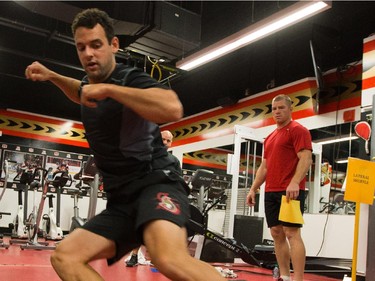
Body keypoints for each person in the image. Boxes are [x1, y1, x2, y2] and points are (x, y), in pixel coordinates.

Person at [25, 8, 225, 281]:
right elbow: (81, 91)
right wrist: (52, 76)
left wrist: (110, 90)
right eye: (81, 47)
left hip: (156, 184)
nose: (88, 54)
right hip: (122, 201)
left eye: (96, 45)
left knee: (167, 258)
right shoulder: (89, 84)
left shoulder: (130, 79)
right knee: (65, 256)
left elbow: (172, 108)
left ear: (114, 45)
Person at [246, 94, 312, 281]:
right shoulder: (270, 137)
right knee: (276, 233)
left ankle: (298, 278)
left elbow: (306, 158)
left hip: (289, 191)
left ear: (291, 109)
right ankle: (284, 276)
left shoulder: (298, 130)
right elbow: (264, 167)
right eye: (274, 108)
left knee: (292, 233)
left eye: (281, 108)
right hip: (271, 191)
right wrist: (253, 188)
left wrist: (294, 182)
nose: (277, 111)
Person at [126, 129, 176, 267]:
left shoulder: (174, 161)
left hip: (164, 198)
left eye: (168, 140)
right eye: (163, 139)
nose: (165, 142)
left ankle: (156, 256)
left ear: (171, 143)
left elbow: (176, 180)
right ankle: (134, 255)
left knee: (159, 228)